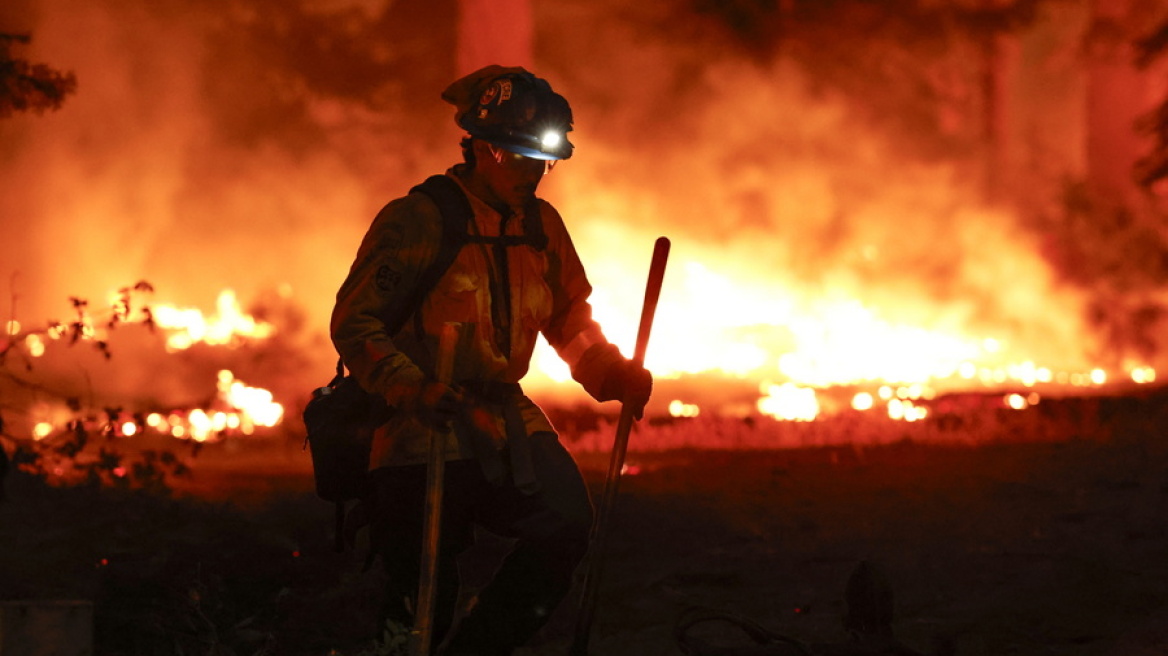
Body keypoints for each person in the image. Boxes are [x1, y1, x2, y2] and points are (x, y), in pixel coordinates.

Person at [330, 65, 653, 656]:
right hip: (418, 428)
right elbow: (357, 325)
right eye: (522, 157)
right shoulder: (418, 220)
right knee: (422, 588)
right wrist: (414, 389)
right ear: (484, 147)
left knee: (565, 527)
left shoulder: (542, 226)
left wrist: (607, 371)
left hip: (505, 422)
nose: (535, 172)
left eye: (544, 161)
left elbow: (568, 320)